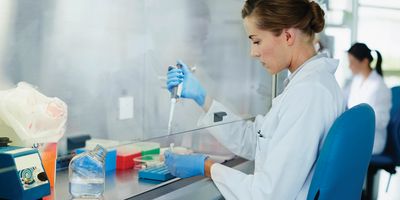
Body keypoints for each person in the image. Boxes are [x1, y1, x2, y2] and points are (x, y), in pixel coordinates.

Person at [165, 0, 346, 199]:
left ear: (287, 36)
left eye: (256, 41)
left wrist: (206, 166)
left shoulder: (308, 94)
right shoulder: (310, 85)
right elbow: (255, 139)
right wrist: (204, 100)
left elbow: (268, 194)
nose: (253, 52)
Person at [346, 43, 391, 155]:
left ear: (365, 62)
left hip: (373, 140)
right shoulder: (356, 81)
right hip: (357, 134)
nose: (349, 66)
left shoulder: (379, 86)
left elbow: (382, 121)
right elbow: (343, 99)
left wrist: (356, 122)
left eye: (352, 62)